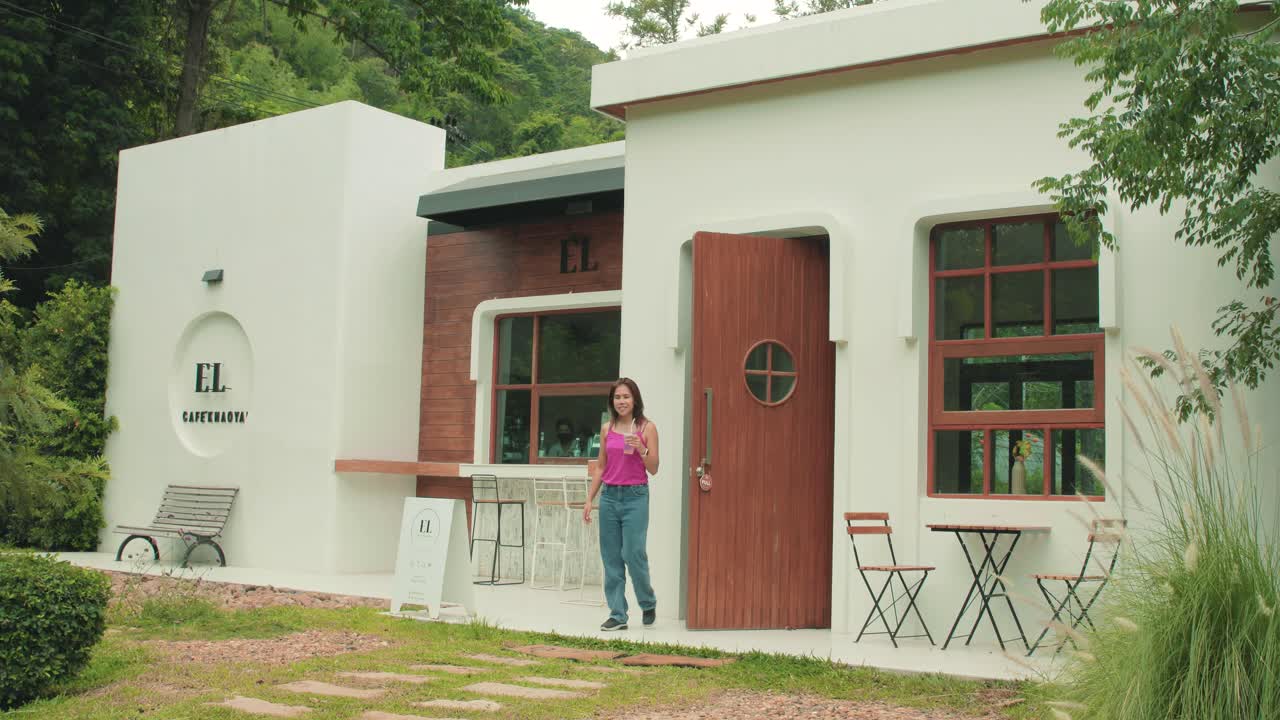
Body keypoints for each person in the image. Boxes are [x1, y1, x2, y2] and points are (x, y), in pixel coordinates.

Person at [583, 377, 659, 631]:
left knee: (633, 553)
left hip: (636, 496)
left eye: (626, 396)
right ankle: (618, 614)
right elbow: (601, 466)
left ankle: (647, 601)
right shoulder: (607, 429)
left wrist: (642, 449)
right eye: (617, 397)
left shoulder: (647, 428)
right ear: (612, 401)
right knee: (611, 557)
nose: (622, 401)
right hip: (609, 497)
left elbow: (655, 468)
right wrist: (589, 499)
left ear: (634, 399)